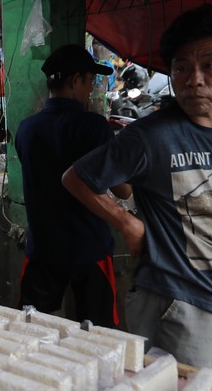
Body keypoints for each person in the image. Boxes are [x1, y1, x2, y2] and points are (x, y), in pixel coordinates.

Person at [63, 4, 212, 372]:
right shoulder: (151, 136)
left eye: (209, 65)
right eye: (181, 67)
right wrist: (126, 222)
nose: (194, 78)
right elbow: (77, 177)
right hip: (173, 300)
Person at [16, 44, 130, 327]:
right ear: (75, 80)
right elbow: (123, 189)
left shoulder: (26, 129)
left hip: (43, 249)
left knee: (29, 331)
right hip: (88, 249)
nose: (91, 89)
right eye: (90, 81)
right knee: (99, 335)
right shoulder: (93, 126)